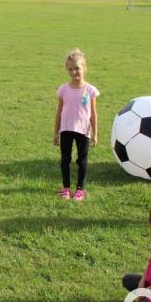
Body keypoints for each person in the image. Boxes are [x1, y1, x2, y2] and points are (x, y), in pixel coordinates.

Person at [53, 48, 99, 201]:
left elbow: (93, 113)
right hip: (66, 129)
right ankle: (66, 188)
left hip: (83, 130)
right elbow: (59, 112)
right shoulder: (64, 89)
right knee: (65, 159)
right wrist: (56, 132)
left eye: (77, 68)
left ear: (84, 68)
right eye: (70, 69)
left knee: (82, 160)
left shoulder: (90, 90)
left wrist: (95, 133)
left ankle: (80, 190)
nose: (74, 72)